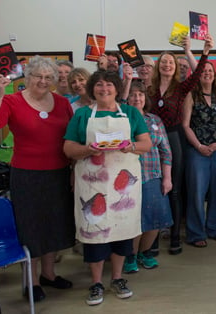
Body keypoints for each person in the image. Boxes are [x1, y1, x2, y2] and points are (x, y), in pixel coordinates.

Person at [0, 56, 75, 302]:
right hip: (27, 175)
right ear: (27, 77)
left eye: (48, 77)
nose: (43, 81)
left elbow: (72, 137)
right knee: (30, 228)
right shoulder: (12, 100)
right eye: (37, 76)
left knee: (53, 225)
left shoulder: (63, 103)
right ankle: (30, 282)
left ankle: (49, 274)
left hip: (58, 173)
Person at [63, 70, 151, 306]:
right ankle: (96, 283)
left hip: (124, 188)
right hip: (93, 185)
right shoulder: (82, 115)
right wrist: (87, 150)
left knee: (121, 230)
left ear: (117, 87)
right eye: (99, 85)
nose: (104, 89)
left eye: (109, 84)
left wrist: (130, 145)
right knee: (95, 234)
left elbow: (146, 143)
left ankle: (118, 278)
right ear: (92, 88)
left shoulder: (131, 113)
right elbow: (68, 148)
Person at [148, 34, 213, 255]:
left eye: (171, 62)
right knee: (155, 190)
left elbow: (197, 74)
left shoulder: (181, 88)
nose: (167, 65)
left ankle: (175, 237)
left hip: (175, 138)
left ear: (175, 67)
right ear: (158, 66)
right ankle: (152, 241)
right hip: (152, 141)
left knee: (174, 189)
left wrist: (201, 52)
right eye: (163, 61)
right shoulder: (150, 89)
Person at [123, 81, 173, 274]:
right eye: (133, 95)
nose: (137, 98)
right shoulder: (122, 119)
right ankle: (130, 256)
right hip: (129, 179)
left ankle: (145, 253)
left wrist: (167, 178)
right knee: (135, 221)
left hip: (153, 175)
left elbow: (166, 151)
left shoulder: (155, 120)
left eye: (141, 95)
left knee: (155, 219)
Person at [183, 61, 216, 248]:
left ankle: (215, 228)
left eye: (210, 71)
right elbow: (186, 125)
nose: (207, 73)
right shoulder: (191, 96)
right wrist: (198, 145)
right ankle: (196, 233)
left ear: (215, 74)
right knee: (197, 192)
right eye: (203, 71)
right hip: (197, 151)